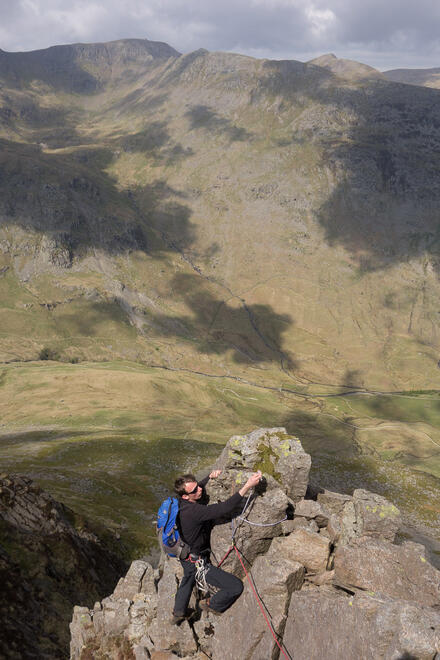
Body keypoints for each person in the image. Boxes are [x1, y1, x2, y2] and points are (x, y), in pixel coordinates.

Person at [172, 468, 262, 622]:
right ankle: (211, 604)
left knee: (188, 577)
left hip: (185, 554)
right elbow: (224, 508)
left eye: (198, 485)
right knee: (235, 587)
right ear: (186, 496)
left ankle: (179, 612)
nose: (200, 489)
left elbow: (197, 486)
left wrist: (209, 477)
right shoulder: (194, 512)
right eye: (195, 490)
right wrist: (247, 486)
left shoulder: (180, 502)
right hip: (198, 562)